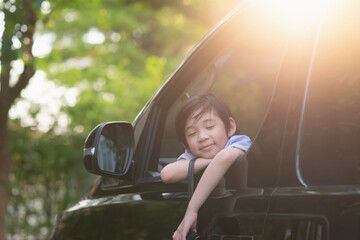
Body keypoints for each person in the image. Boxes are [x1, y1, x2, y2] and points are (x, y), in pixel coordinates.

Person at [160, 93, 251, 240]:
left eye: (209, 126)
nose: (202, 137)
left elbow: (225, 157)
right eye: (192, 133)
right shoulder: (193, 155)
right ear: (185, 144)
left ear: (230, 127)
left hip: (237, 216)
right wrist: (209, 162)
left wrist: (191, 210)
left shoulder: (238, 143)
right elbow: (167, 174)